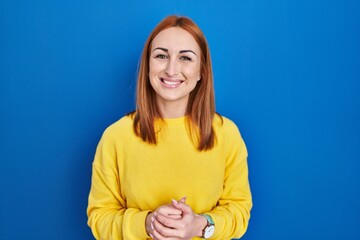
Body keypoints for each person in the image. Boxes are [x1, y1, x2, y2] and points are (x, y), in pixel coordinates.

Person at [87, 15, 252, 240]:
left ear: (202, 70)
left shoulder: (227, 134)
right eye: (161, 55)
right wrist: (146, 224)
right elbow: (99, 217)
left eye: (185, 58)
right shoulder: (116, 137)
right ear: (147, 65)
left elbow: (239, 211)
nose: (171, 69)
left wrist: (200, 225)